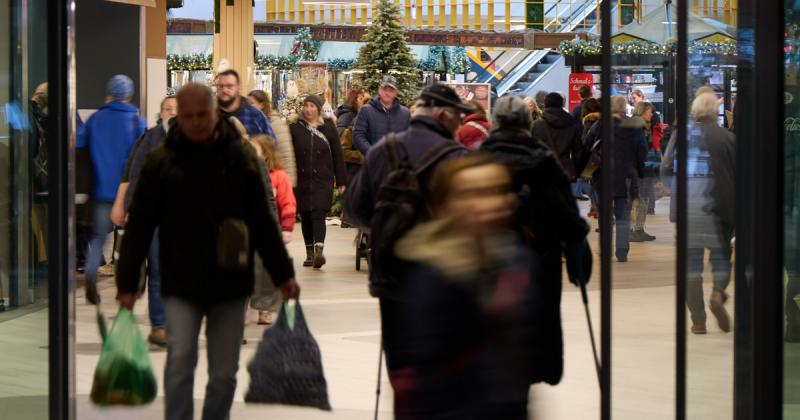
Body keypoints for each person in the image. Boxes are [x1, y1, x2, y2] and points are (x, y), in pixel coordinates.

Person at [115, 83, 299, 420]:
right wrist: (128, 283)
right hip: (181, 282)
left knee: (224, 373)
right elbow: (139, 227)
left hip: (229, 284)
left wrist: (282, 275)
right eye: (188, 116)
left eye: (203, 115)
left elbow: (261, 221)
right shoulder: (161, 161)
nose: (197, 122)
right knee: (181, 362)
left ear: (215, 114)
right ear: (177, 118)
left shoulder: (241, 159)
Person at [389, 154, 540, 418]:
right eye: (472, 193)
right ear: (445, 205)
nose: (488, 202)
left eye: (497, 190)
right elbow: (422, 372)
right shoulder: (431, 273)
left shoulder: (515, 261)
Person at [344, 84, 472, 384]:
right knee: (444, 368)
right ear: (442, 116)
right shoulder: (458, 159)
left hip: (392, 277)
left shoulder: (383, 150)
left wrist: (385, 226)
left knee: (402, 370)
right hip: (444, 279)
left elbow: (353, 209)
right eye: (458, 118)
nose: (460, 124)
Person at [480, 95, 591, 386]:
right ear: (527, 123)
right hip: (539, 264)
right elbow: (568, 216)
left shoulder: (477, 160)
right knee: (533, 338)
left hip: (488, 267)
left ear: (495, 123)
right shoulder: (543, 161)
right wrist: (577, 248)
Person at [661, 92, 735, 335]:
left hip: (689, 208)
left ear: (694, 112)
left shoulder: (682, 136)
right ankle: (717, 293)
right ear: (716, 111)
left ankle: (698, 320)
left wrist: (678, 191)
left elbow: (665, 166)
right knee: (721, 257)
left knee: (691, 265)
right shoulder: (728, 138)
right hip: (722, 209)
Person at [108, 95, 176, 345]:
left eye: (177, 109)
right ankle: (160, 325)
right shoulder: (149, 138)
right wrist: (121, 205)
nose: (173, 113)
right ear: (161, 113)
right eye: (167, 109)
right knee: (156, 268)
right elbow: (131, 173)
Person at [76, 74, 146, 304]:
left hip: (102, 192)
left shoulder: (96, 119)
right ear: (129, 94)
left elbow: (78, 143)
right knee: (133, 239)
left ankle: (90, 279)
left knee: (97, 238)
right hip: (129, 194)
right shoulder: (137, 122)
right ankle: (131, 284)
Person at [584, 95, 647, 262]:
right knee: (622, 215)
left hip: (602, 176)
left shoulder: (600, 124)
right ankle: (622, 252)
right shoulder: (633, 126)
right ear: (624, 107)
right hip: (625, 176)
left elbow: (586, 145)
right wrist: (639, 172)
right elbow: (642, 151)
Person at [290, 94, 347, 268]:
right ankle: (309, 253)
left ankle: (319, 252)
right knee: (306, 214)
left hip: (323, 178)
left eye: (312, 106)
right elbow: (290, 155)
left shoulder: (328, 127)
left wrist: (342, 180)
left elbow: (338, 155)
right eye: (306, 106)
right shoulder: (295, 128)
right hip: (302, 178)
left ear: (318, 108)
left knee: (318, 214)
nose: (308, 109)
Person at [248, 134, 296, 325]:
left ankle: (265, 308)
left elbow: (288, 203)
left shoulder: (279, 176)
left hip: (271, 228)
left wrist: (286, 227)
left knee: (268, 272)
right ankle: (249, 304)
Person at [246, 89, 297, 186]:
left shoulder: (275, 124)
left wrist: (289, 182)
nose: (248, 107)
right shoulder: (250, 123)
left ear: (262, 105)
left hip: (274, 179)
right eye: (247, 104)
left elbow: (286, 154)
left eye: (252, 103)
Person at [352, 75, 412, 154]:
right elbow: (358, 135)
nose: (387, 93)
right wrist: (373, 153)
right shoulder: (366, 110)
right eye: (384, 89)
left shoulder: (405, 113)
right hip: (373, 162)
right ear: (379, 89)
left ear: (396, 92)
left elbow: (410, 138)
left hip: (398, 163)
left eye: (391, 90)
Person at [532, 92, 582, 183]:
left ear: (546, 104)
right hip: (565, 169)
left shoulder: (537, 125)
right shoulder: (571, 124)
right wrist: (576, 171)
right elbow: (577, 151)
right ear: (561, 104)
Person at [629, 101, 660, 242]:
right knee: (639, 199)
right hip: (639, 169)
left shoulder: (641, 126)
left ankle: (638, 229)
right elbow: (638, 150)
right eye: (650, 111)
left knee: (643, 199)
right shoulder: (636, 127)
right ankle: (635, 230)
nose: (652, 114)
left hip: (642, 168)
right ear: (642, 111)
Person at [215, 69, 276, 139]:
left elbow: (272, 146)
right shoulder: (210, 115)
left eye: (229, 86)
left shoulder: (255, 115)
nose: (224, 90)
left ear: (238, 88)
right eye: (220, 86)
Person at [580, 98, 602, 218]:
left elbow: (585, 142)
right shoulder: (603, 120)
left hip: (592, 159)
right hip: (603, 157)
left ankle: (597, 209)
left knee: (593, 185)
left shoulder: (588, 122)